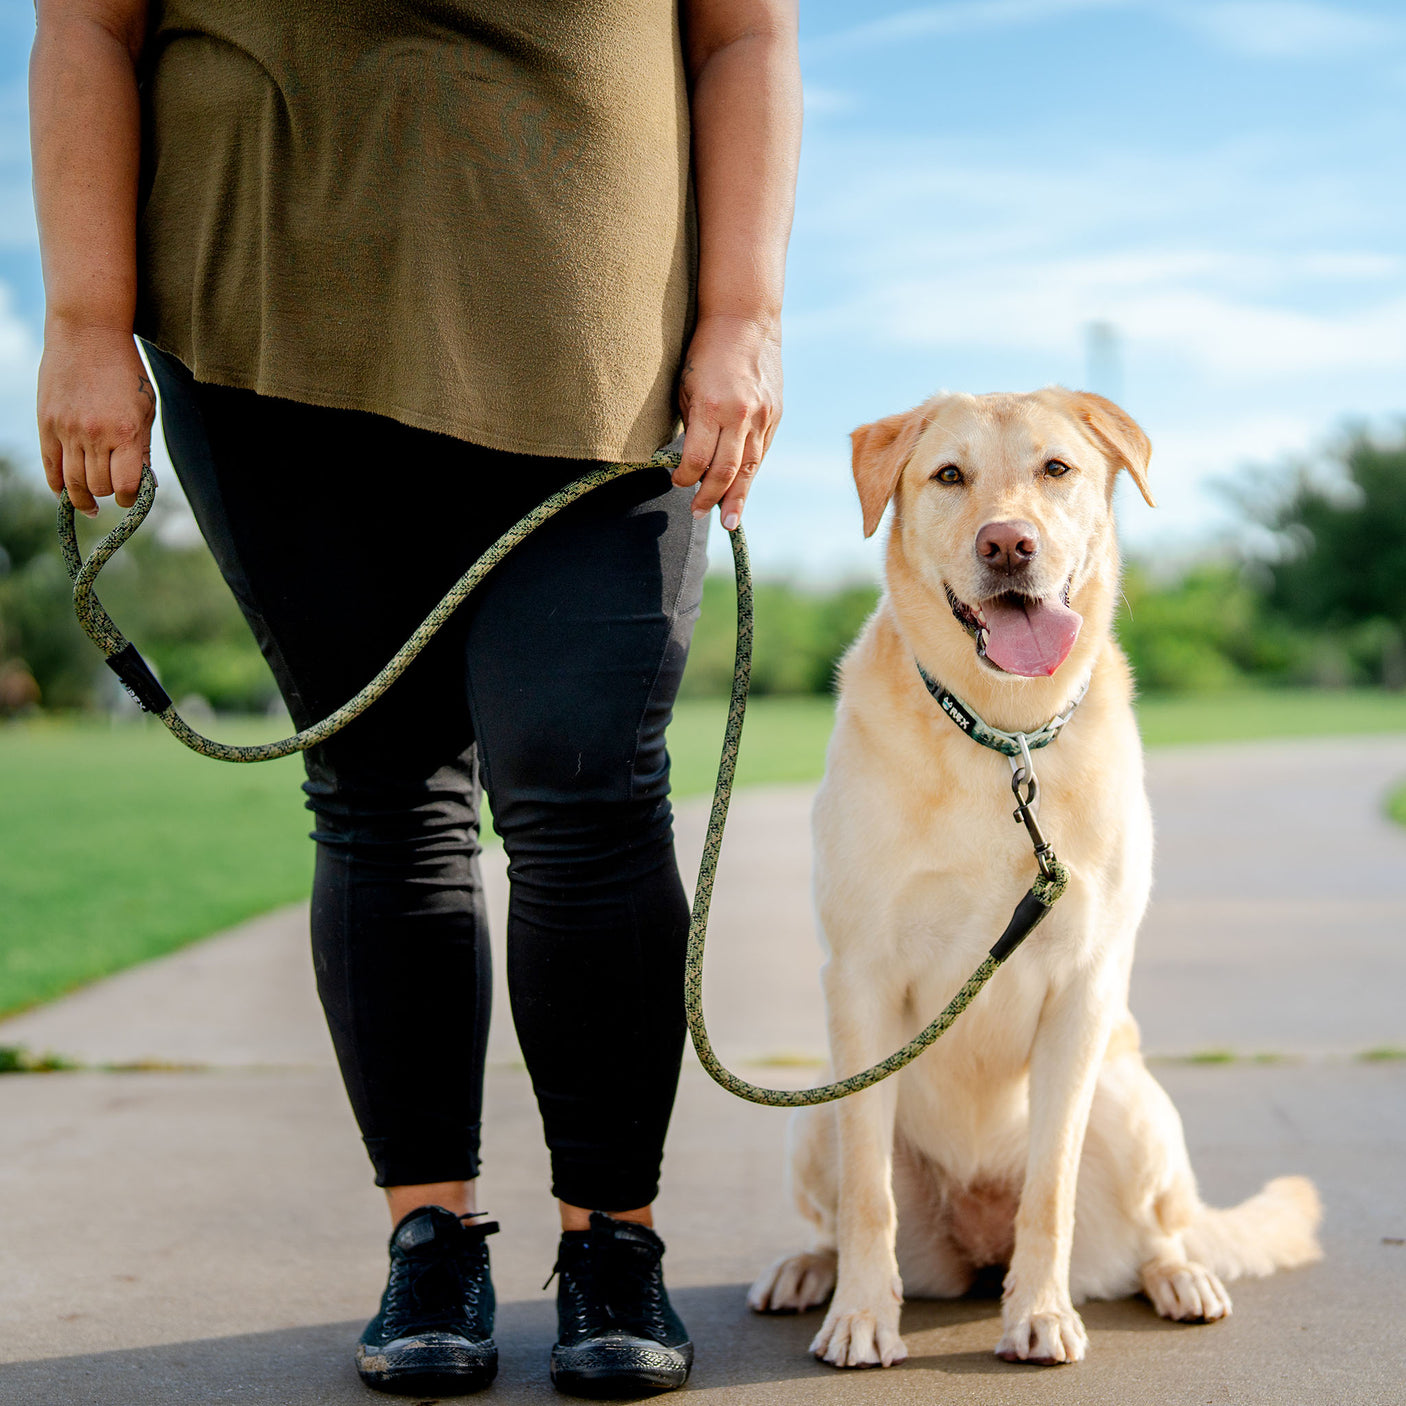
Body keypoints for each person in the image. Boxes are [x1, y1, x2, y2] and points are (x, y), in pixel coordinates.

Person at [30, 0, 800, 1395]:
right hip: (265, 328)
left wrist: (743, 314)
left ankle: (609, 1240)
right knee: (382, 792)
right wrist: (83, 316)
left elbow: (744, 34)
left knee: (587, 783)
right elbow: (85, 22)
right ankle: (428, 1237)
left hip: (600, 333)